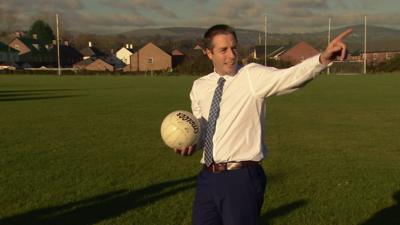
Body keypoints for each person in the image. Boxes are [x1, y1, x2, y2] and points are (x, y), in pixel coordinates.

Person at [175, 24, 352, 225]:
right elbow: (204, 130)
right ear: (208, 53)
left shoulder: (251, 75)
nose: (231, 55)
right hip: (207, 177)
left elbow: (290, 77)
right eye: (223, 50)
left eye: (234, 48)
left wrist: (323, 58)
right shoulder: (200, 86)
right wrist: (192, 144)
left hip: (241, 178)